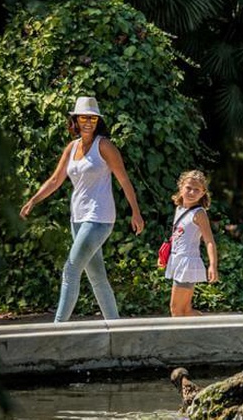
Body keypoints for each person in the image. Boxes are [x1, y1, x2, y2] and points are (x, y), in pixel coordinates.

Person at [20, 96, 144, 322]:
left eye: (93, 118)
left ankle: (58, 328)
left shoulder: (104, 146)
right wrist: (33, 200)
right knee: (97, 277)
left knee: (71, 269)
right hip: (77, 217)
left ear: (98, 121)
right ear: (75, 120)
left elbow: (124, 181)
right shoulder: (71, 147)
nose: (89, 121)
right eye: (84, 117)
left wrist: (135, 212)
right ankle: (116, 328)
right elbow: (56, 180)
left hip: (99, 217)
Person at [162, 170, 219, 316]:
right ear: (181, 187)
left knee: (176, 309)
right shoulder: (180, 209)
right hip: (177, 260)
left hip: (187, 263)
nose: (192, 192)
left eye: (197, 190)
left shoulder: (199, 213)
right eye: (188, 188)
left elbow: (209, 240)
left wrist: (212, 265)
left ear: (203, 193)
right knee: (186, 310)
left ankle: (182, 338)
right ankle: (207, 333)